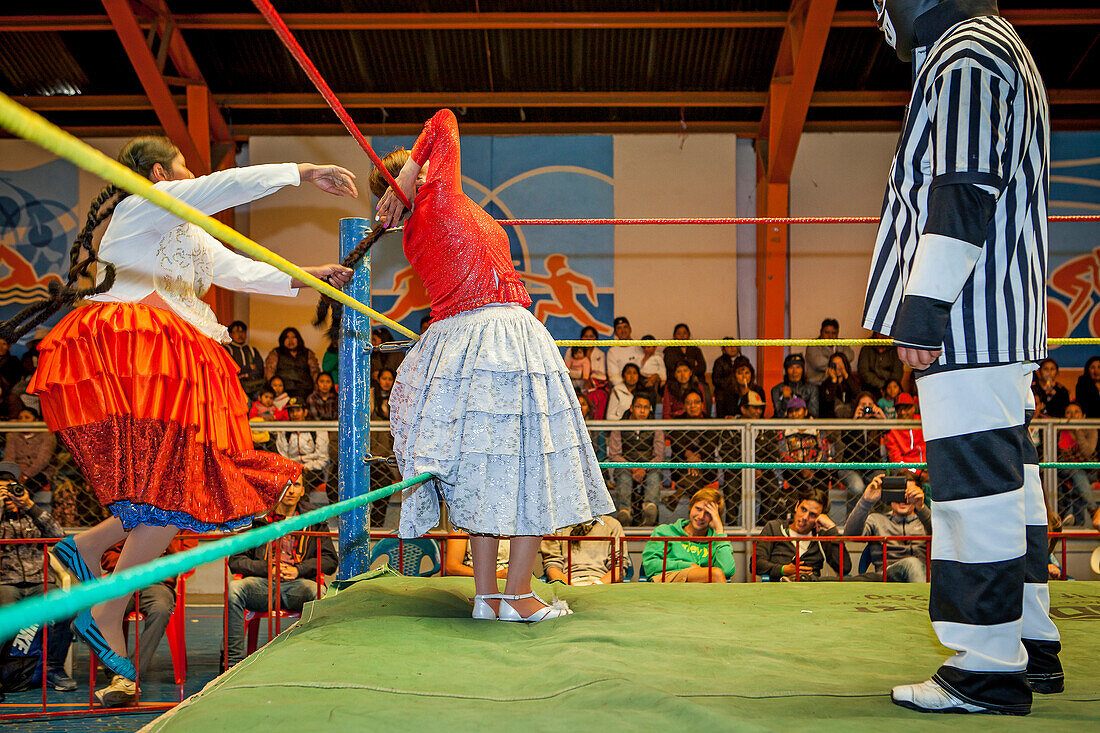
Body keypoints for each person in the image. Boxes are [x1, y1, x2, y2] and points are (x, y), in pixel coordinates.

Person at [7, 135, 355, 680]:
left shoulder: (187, 231)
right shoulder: (140, 205)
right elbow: (218, 187)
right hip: (144, 351)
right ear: (157, 173)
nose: (191, 175)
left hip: (177, 355)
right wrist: (302, 170)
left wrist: (308, 277)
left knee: (175, 487)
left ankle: (89, 556)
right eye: (183, 169)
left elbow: (237, 270)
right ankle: (101, 598)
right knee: (176, 484)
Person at [862, 0, 1060, 714]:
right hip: (996, 313)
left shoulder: (967, 50)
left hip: (971, 316)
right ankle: (1029, 643)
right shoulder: (998, 44)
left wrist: (925, 305)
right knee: (1008, 487)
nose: (879, 14)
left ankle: (985, 664)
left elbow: (964, 183)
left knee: (974, 492)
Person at [374, 109, 614, 622]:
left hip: (467, 343)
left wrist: (404, 188)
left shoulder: (418, 226)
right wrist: (412, 175)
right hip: (498, 335)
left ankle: (488, 597)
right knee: (527, 465)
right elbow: (443, 120)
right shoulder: (435, 198)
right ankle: (519, 597)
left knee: (484, 470)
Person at [225, 475, 337, 668]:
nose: (291, 491)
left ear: (303, 491)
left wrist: (298, 570)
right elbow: (236, 561)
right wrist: (269, 569)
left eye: (297, 485)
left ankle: (317, 659)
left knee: (319, 593)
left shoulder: (314, 518)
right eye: (286, 485)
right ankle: (233, 663)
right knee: (235, 588)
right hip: (263, 585)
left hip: (299, 585)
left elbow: (330, 561)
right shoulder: (258, 518)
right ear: (275, 488)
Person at [94, 535, 195, 707]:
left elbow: (186, 560)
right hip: (124, 581)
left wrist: (166, 536)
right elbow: (106, 557)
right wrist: (132, 563)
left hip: (158, 584)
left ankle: (128, 676)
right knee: (103, 611)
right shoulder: (130, 518)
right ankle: (118, 673)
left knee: (161, 610)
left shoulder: (180, 522)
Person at [0, 462, 76, 691]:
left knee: (67, 608)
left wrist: (30, 506)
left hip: (40, 581)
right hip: (5, 582)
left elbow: (58, 536)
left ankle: (53, 668)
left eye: (12, 488)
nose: (10, 495)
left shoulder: (31, 514)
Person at [843, 473, 932, 582]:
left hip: (923, 575)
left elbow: (943, 538)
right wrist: (866, 501)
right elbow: (850, 536)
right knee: (912, 563)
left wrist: (922, 508)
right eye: (898, 492)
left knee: (917, 565)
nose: (903, 499)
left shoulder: (925, 520)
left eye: (909, 493)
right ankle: (922, 599)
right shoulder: (876, 520)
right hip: (887, 577)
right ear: (890, 493)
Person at [641, 488, 735, 582]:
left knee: (715, 575)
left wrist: (719, 529)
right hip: (666, 581)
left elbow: (726, 570)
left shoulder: (717, 540)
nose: (701, 516)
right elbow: (650, 565)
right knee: (715, 574)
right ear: (690, 507)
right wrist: (688, 566)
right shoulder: (665, 531)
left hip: (701, 587)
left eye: (708, 513)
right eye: (698, 509)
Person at [753, 487, 847, 581]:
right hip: (779, 589)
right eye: (803, 509)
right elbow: (755, 564)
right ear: (796, 506)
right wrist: (784, 570)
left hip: (812, 590)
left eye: (812, 515)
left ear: (820, 518)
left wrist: (832, 529)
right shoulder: (774, 528)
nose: (805, 517)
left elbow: (844, 568)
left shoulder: (820, 537)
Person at [607, 394, 663, 526]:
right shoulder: (620, 426)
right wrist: (633, 468)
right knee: (624, 476)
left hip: (649, 467)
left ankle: (650, 508)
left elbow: (659, 455)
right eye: (639, 407)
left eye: (646, 408)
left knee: (655, 475)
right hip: (626, 466)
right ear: (631, 408)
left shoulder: (656, 427)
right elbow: (614, 455)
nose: (642, 411)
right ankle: (625, 511)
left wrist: (643, 468)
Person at [665, 390, 718, 520]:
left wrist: (697, 458)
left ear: (702, 405)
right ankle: (698, 517)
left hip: (705, 465)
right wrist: (689, 456)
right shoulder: (677, 421)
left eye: (696, 402)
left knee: (696, 473)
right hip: (682, 465)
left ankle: (678, 494)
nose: (692, 406)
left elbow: (711, 443)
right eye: (689, 403)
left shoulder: (711, 421)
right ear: (684, 406)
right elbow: (676, 442)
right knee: (694, 478)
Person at [541, 516, 626, 585]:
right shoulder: (555, 526)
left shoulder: (612, 524)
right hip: (567, 584)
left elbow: (619, 566)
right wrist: (569, 588)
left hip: (602, 584)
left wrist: (597, 585)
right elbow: (552, 564)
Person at [275, 398, 329, 495]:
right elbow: (283, 456)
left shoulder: (317, 429)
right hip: (291, 469)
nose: (295, 414)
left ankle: (303, 507)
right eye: (291, 411)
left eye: (298, 410)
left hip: (314, 469)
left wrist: (306, 467)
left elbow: (323, 458)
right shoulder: (284, 431)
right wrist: (294, 467)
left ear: (305, 412)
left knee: (303, 481)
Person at [1056, 402, 1098, 526]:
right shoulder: (1058, 430)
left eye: (1076, 412)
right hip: (1064, 470)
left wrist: (1078, 430)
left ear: (1083, 416)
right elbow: (1058, 457)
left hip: (1088, 471)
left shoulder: (1091, 430)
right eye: (1069, 412)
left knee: (1077, 475)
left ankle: (1074, 516)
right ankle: (1093, 510)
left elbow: (1087, 453)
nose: (1072, 415)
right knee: (1073, 472)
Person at [3, 405, 56, 498]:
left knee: (29, 485)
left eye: (27, 418)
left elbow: (43, 460)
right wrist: (14, 474)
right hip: (17, 472)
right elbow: (9, 458)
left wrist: (25, 475)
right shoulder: (14, 436)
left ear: (36, 420)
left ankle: (22, 506)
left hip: (40, 473)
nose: (23, 420)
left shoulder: (46, 435)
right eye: (20, 418)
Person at [264, 327, 320, 402]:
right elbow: (269, 371)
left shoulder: (307, 353)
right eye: (287, 338)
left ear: (298, 339)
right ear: (283, 340)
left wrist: (317, 387)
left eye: (293, 337)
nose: (290, 341)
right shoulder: (276, 353)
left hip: (305, 390)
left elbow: (315, 371)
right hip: (283, 391)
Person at [882, 394, 925, 481]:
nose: (902, 413)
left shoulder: (922, 422)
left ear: (913, 408)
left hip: (926, 467)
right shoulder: (892, 430)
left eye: (905, 408)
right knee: (906, 476)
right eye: (899, 409)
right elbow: (897, 461)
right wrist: (918, 473)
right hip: (906, 470)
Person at [804, 319, 856, 385]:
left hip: (841, 382)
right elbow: (818, 363)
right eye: (827, 332)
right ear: (821, 332)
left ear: (838, 333)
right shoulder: (813, 345)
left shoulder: (842, 343)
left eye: (833, 333)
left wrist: (829, 361)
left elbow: (851, 356)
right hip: (818, 383)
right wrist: (840, 363)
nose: (830, 336)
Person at [223, 320, 265, 401]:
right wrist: (248, 368)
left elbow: (260, 369)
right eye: (236, 332)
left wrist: (244, 372)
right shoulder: (227, 350)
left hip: (254, 386)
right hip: (234, 387)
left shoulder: (252, 350)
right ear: (230, 334)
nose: (240, 334)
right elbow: (230, 369)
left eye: (242, 331)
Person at [770, 353, 818, 418]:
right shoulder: (777, 389)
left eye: (798, 367)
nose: (795, 371)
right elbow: (779, 416)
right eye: (791, 367)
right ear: (786, 370)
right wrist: (786, 399)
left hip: (805, 426)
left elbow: (813, 414)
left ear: (803, 369)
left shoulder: (812, 389)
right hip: (784, 426)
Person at [818, 351, 862, 418]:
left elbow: (858, 394)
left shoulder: (853, 381)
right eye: (834, 365)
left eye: (840, 364)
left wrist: (846, 376)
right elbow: (828, 401)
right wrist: (834, 381)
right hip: (832, 420)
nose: (838, 367)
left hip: (851, 418)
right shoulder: (825, 384)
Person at [605, 316, 643, 388]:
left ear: (630, 329)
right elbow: (614, 377)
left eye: (625, 327)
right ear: (615, 333)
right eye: (619, 328)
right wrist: (627, 387)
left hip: (641, 385)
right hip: (621, 388)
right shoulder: (612, 352)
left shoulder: (640, 347)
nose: (623, 330)